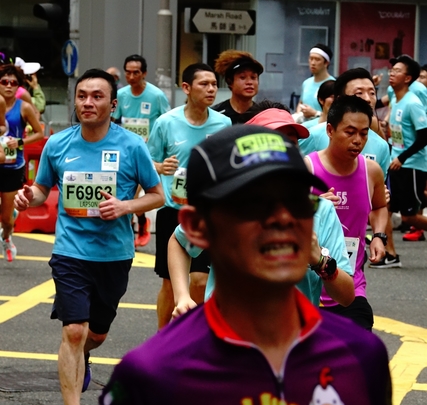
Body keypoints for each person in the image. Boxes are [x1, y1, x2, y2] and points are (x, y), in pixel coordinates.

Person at [67, 124, 420, 405]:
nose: (283, 219)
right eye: (254, 204)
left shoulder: (361, 356)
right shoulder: (153, 373)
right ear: (197, 227)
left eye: (298, 200)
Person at [14, 69, 164, 405]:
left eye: (97, 96)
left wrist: (125, 206)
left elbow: (157, 195)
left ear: (112, 105)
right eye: (82, 95)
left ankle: (82, 359)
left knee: (95, 334)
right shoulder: (58, 144)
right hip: (70, 251)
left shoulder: (132, 146)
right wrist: (27, 197)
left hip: (114, 255)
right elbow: (42, 189)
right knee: (74, 331)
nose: (88, 102)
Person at [168, 106, 354, 316]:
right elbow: (179, 242)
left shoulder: (321, 210)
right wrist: (182, 297)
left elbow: (347, 296)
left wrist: (319, 260)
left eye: (291, 144)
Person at [147, 62, 231, 328]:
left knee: (200, 280)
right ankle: (163, 338)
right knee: (170, 284)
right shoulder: (166, 122)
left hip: (208, 212)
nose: (211, 89)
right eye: (204, 84)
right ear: (186, 87)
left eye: (214, 84)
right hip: (173, 210)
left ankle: (189, 331)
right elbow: (147, 161)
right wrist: (161, 167)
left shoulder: (224, 123)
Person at [306, 95, 388, 330]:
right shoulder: (307, 169)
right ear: (330, 130)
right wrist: (316, 205)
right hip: (308, 286)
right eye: (350, 132)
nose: (357, 140)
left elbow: (380, 206)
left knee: (360, 343)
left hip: (350, 285)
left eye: (364, 133)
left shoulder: (371, 171)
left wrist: (379, 236)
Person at [372, 55, 427, 258]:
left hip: (411, 165)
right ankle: (389, 254)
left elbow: (424, 137)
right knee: (384, 207)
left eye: (397, 71)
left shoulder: (413, 103)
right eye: (391, 70)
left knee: (409, 217)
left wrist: (402, 158)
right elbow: (375, 105)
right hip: (395, 162)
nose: (391, 74)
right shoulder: (395, 99)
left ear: (408, 78)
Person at [112, 54, 170, 246]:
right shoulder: (121, 95)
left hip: (149, 154)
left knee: (136, 195)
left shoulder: (156, 96)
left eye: (136, 72)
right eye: (128, 72)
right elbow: (113, 121)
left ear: (144, 73)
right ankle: (135, 227)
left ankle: (141, 224)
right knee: (126, 194)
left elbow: (168, 122)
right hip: (125, 153)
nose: (131, 76)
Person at [299, 68, 391, 178]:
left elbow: (378, 185)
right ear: (339, 99)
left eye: (372, 93)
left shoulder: (381, 146)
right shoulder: (313, 136)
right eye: (359, 93)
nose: (368, 99)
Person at [0, 64, 43, 262]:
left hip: (12, 166)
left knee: (6, 219)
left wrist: (19, 142)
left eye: (13, 83)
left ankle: (7, 237)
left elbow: (39, 133)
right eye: (4, 82)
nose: (9, 86)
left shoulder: (23, 107)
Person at [211, 49, 263, 123]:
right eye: (242, 77)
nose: (249, 82)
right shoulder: (215, 115)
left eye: (253, 77)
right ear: (230, 82)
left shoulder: (262, 115)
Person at [294, 43, 335, 122]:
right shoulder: (306, 83)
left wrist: (315, 113)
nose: (313, 63)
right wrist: (298, 114)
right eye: (311, 58)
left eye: (317, 59)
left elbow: (335, 115)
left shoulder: (332, 85)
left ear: (326, 63)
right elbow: (301, 103)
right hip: (304, 127)